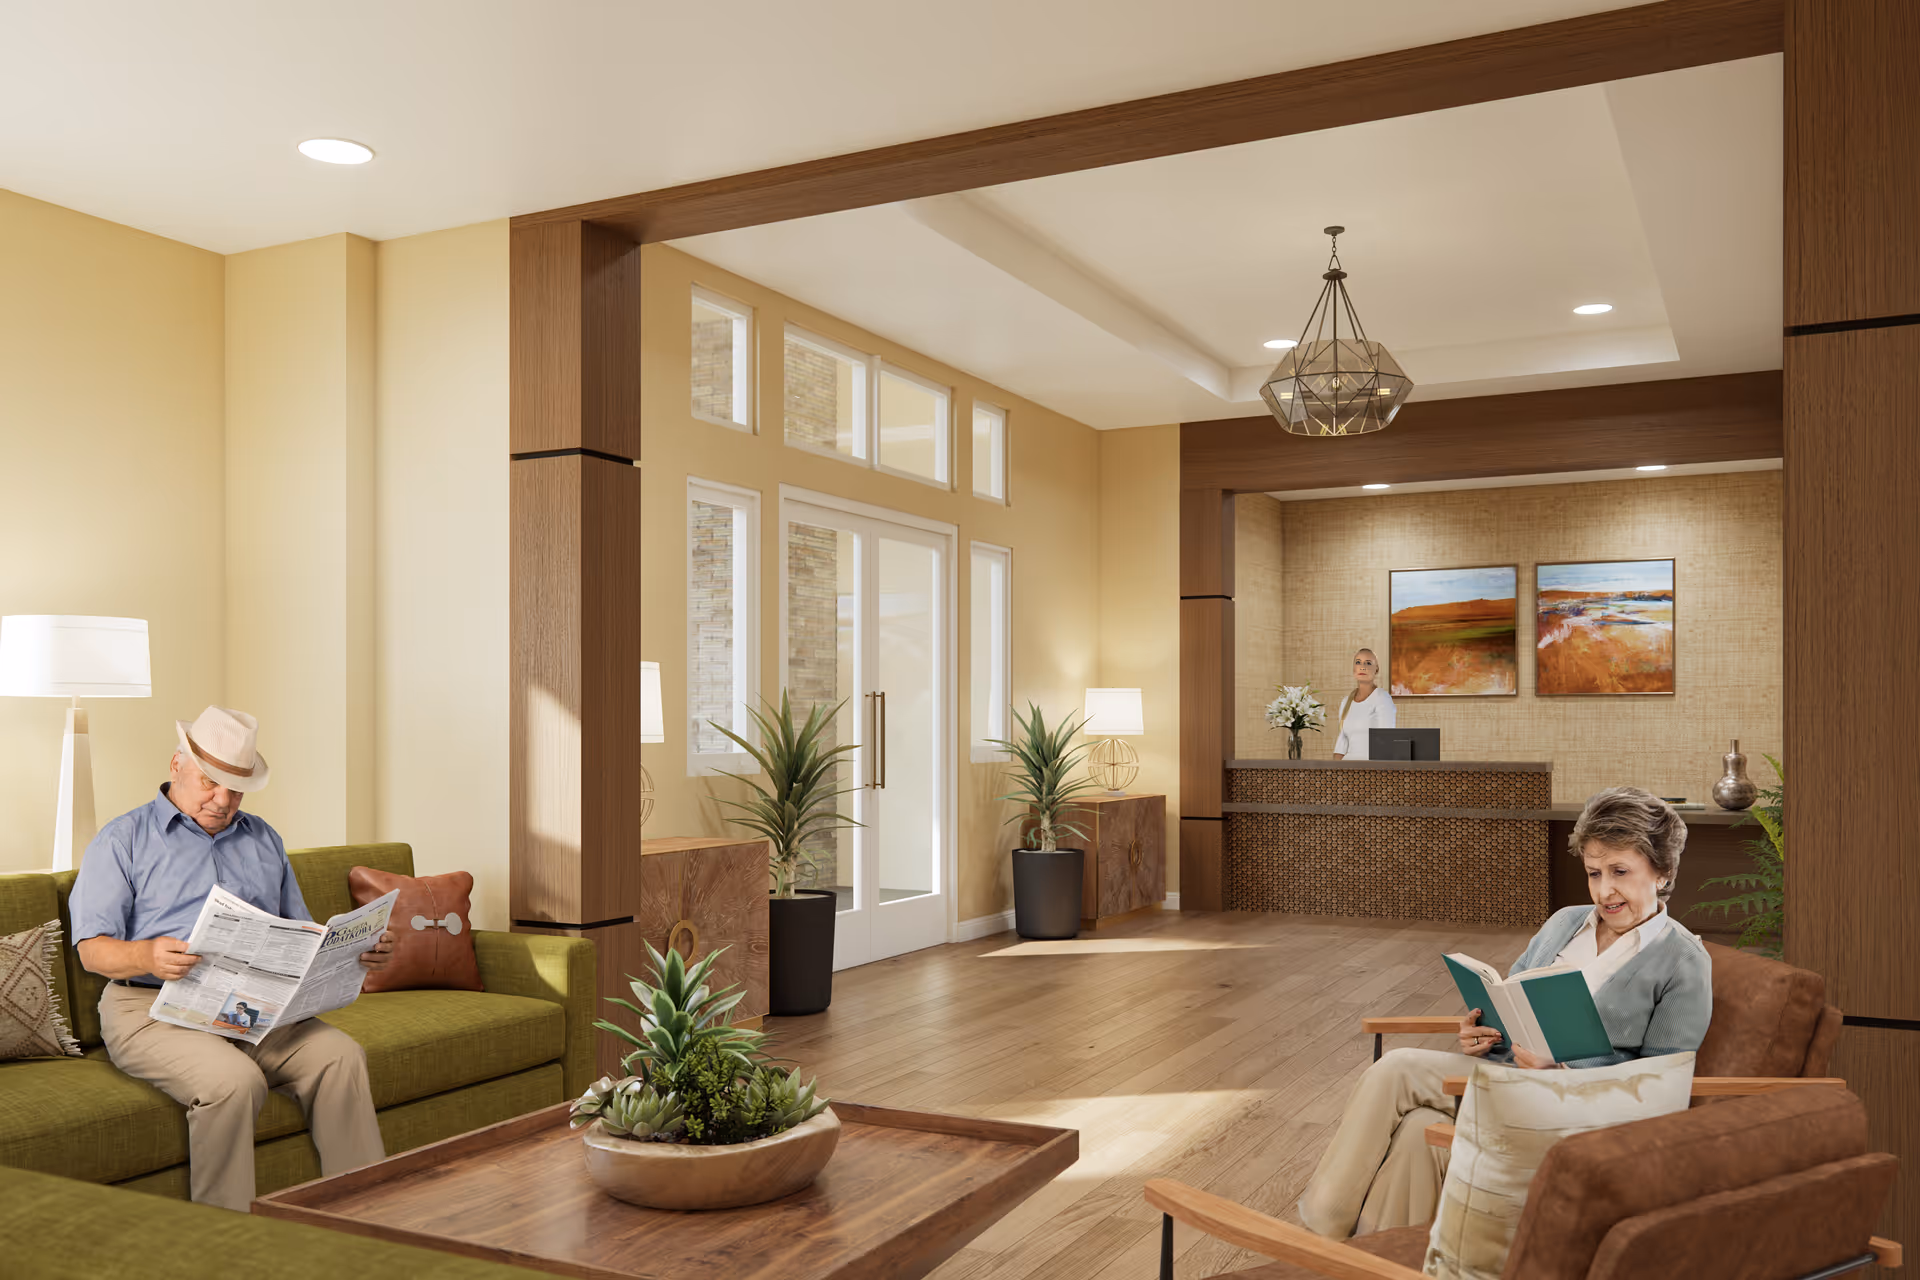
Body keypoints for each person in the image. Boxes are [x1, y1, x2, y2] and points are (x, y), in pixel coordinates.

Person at [1296, 786, 1711, 1239]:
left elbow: (1663, 1086)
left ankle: (1318, 1229)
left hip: (1574, 1110)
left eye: (1620, 871)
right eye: (1594, 873)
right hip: (1506, 1082)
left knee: (1397, 1068)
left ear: (1663, 872)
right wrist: (1482, 1033)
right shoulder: (1564, 923)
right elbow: (1511, 999)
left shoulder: (1683, 960)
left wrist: (1563, 1071)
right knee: (1419, 1129)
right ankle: (1377, 1257)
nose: (1604, 890)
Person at [68, 706, 399, 1212]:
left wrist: (357, 950)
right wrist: (146, 954)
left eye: (237, 789)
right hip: (151, 1011)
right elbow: (92, 950)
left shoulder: (264, 838)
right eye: (210, 782)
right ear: (176, 764)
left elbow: (301, 935)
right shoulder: (122, 840)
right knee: (233, 1082)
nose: (223, 801)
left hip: (251, 1007)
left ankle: (364, 1218)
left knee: (340, 1056)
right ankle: (228, 1236)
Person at [1332, 648, 1396, 760]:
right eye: (1358, 662)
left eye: (1368, 663)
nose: (1362, 667)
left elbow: (1386, 742)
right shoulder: (1346, 702)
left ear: (1376, 669)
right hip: (1347, 766)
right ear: (1354, 668)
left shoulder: (1382, 698)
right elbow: (1341, 743)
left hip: (1371, 767)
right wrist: (1335, 769)